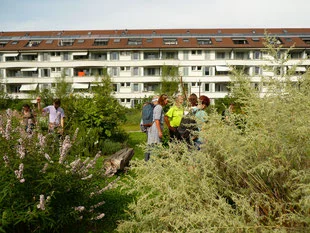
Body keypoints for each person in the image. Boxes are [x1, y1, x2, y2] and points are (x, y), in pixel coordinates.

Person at [146, 94, 168, 161]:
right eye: (166, 100)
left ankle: (149, 162)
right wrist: (159, 131)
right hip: (155, 130)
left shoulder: (157, 107)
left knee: (152, 147)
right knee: (155, 147)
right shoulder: (159, 107)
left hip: (153, 129)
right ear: (163, 100)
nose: (167, 102)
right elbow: (156, 120)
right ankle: (153, 163)